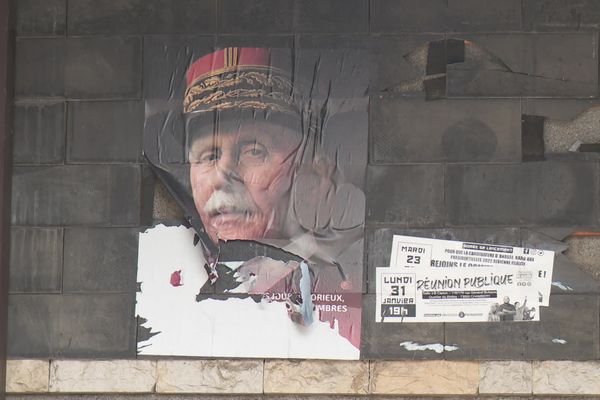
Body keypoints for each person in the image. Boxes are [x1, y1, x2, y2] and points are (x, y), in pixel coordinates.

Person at [137, 47, 366, 357]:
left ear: (310, 169)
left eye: (254, 151)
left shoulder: (346, 292)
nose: (222, 176)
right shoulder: (161, 285)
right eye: (209, 156)